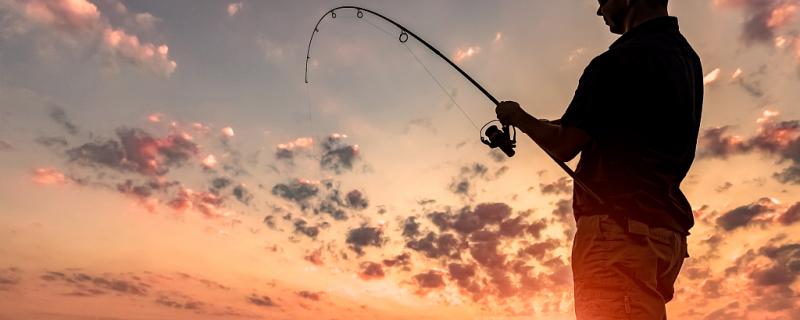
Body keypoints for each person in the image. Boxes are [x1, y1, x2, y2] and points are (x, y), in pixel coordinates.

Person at [495, 0, 702, 319]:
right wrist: (546, 125)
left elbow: (565, 144)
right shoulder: (684, 57)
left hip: (618, 235)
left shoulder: (618, 60)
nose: (599, 10)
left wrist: (518, 116)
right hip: (663, 236)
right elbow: (603, 127)